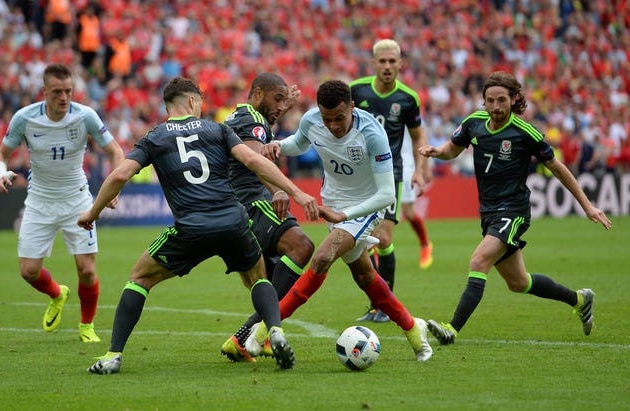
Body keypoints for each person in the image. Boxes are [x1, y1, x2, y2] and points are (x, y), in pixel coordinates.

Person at [79, 76, 319, 374]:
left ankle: (113, 355)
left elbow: (117, 177)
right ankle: (274, 331)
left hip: (192, 226)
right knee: (258, 277)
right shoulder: (217, 129)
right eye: (201, 101)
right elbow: (254, 160)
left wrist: (93, 212)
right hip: (234, 220)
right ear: (192, 101)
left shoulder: (154, 137)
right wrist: (294, 191)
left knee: (139, 278)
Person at [418, 71, 612, 345]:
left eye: (501, 100)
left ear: (513, 100)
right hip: (488, 211)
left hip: (513, 210)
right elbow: (453, 148)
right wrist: (437, 151)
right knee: (519, 283)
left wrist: (587, 205)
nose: (496, 107)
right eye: (490, 101)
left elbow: (557, 168)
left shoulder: (525, 132)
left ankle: (452, 328)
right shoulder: (474, 123)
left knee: (478, 261)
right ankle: (580, 300)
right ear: (483, 101)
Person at [252, 79, 433, 362]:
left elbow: (387, 194)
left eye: (339, 118)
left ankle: (263, 332)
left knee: (322, 257)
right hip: (333, 204)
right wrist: (277, 146)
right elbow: (299, 143)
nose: (333, 126)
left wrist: (346, 215)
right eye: (327, 119)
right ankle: (413, 328)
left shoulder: (372, 133)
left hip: (365, 207)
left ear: (352, 106)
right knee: (365, 276)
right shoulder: (313, 119)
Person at [0, 63, 125, 343]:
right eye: (57, 92)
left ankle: (86, 326)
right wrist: (0, 173)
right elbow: (0, 153)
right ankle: (57, 293)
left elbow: (116, 152)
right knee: (28, 271)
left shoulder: (85, 116)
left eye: (68, 91)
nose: (64, 97)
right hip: (39, 201)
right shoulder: (25, 118)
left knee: (87, 271)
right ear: (44, 92)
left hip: (77, 199)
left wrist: (115, 188)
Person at [220, 73, 315, 363]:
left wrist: (281, 106)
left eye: (284, 101)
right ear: (258, 93)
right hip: (250, 203)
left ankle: (253, 339)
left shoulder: (242, 117)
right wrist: (279, 190)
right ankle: (246, 336)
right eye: (277, 98)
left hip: (233, 206)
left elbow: (255, 143)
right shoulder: (251, 119)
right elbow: (254, 158)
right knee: (302, 246)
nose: (281, 106)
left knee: (274, 278)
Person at [350, 39, 433, 323]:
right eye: (382, 61)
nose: (387, 66)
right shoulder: (357, 90)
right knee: (361, 242)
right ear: (373, 63)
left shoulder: (408, 98)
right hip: (359, 174)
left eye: (391, 61)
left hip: (389, 173)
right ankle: (377, 304)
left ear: (400, 64)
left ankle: (385, 305)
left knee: (384, 239)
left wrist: (420, 169)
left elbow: (419, 135)